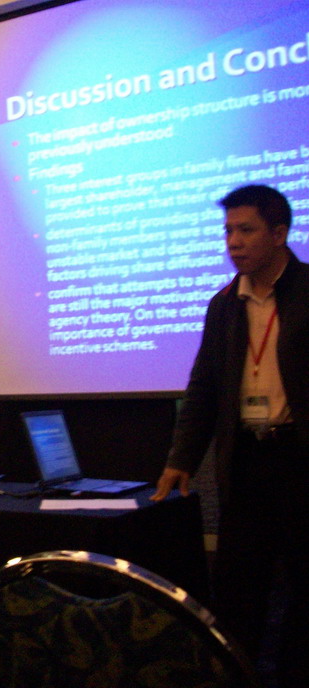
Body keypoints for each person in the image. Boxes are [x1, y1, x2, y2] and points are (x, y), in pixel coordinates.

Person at [151, 184, 309, 687]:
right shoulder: (223, 305)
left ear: (279, 234)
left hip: (300, 460)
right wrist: (181, 458)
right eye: (228, 231)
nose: (233, 242)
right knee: (239, 588)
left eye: (246, 230)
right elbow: (203, 388)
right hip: (246, 462)